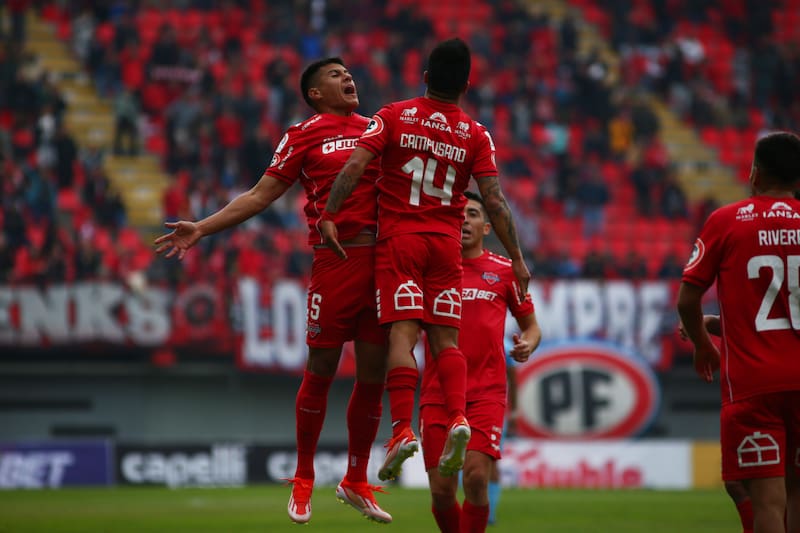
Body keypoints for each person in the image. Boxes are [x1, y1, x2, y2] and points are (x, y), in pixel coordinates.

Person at [153, 57, 392, 524]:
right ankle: (303, 478)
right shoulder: (302, 134)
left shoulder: (377, 128)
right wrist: (201, 227)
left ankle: (356, 479)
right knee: (321, 369)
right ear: (315, 93)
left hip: (382, 261)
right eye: (335, 74)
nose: (347, 77)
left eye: (348, 72)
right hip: (335, 262)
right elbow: (260, 195)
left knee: (371, 376)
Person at [320, 38, 530, 484]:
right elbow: (493, 200)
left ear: (426, 77)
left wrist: (330, 215)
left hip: (402, 241)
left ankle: (401, 430)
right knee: (445, 341)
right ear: (467, 86)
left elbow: (355, 166)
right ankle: (458, 418)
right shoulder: (476, 134)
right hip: (446, 247)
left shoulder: (394, 115)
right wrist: (517, 257)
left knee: (403, 332)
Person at [677, 131, 800, 533]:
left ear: (754, 173)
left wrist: (702, 345)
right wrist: (717, 327)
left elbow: (687, 301)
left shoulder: (728, 221)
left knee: (766, 501)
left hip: (754, 385)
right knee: (797, 494)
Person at [419, 192, 541, 533]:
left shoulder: (504, 271)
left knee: (475, 478)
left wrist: (527, 345)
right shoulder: (430, 270)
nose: (464, 219)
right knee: (442, 491)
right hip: (438, 393)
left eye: (472, 213)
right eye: (458, 213)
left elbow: (532, 327)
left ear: (487, 227)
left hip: (486, 392)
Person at [679, 314, 754, 533]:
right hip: (754, 389)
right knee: (739, 483)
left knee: (752, 483)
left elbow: (687, 301)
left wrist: (703, 336)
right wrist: (710, 323)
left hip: (763, 392)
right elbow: (760, 327)